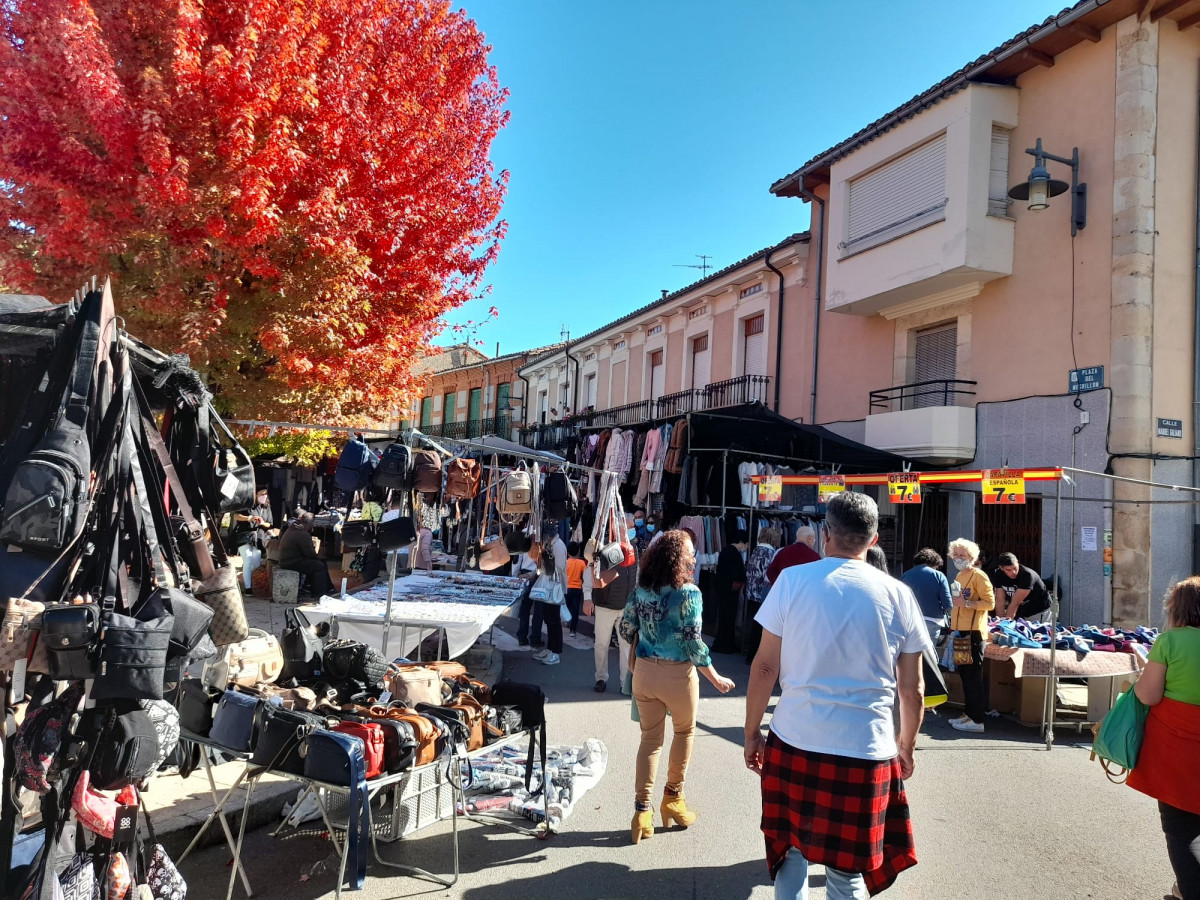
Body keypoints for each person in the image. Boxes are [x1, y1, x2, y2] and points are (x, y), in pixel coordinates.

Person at [744, 491, 929, 899]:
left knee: (790, 856)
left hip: (794, 741)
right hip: (867, 750)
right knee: (846, 876)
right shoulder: (899, 595)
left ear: (826, 533)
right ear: (874, 538)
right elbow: (912, 690)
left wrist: (752, 733)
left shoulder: (793, 581)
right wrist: (906, 746)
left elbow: (763, 668)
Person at [620, 530, 735, 843]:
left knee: (650, 740)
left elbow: (625, 627)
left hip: (643, 673)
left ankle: (642, 812)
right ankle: (673, 799)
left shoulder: (642, 588)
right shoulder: (690, 594)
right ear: (677, 559)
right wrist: (716, 678)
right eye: (690, 555)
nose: (694, 559)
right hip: (677, 676)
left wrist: (646, 640)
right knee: (683, 732)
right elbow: (694, 644)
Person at [1128, 577, 1200, 900]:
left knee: (1180, 829)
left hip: (1177, 752)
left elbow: (1147, 695)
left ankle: (1189, 889)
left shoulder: (1169, 643)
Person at [946, 538, 995, 734]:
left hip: (974, 632)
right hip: (962, 631)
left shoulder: (979, 576)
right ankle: (969, 714)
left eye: (962, 555)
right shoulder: (960, 575)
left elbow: (989, 603)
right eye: (956, 555)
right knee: (966, 675)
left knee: (973, 676)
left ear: (972, 557)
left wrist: (966, 604)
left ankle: (977, 719)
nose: (958, 558)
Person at [585, 512, 638, 693]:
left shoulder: (634, 550)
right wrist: (586, 598)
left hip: (626, 606)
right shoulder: (606, 548)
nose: (633, 530)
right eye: (630, 527)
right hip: (605, 604)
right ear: (620, 529)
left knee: (626, 646)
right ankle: (600, 677)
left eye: (632, 527)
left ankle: (625, 682)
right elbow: (589, 572)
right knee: (601, 644)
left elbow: (636, 576)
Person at [743, 528, 780, 663]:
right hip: (762, 593)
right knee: (760, 627)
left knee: (752, 622)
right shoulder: (770, 553)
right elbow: (767, 575)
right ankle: (754, 655)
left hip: (751, 591)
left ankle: (749, 653)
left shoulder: (755, 550)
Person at [533, 520, 567, 666]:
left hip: (555, 588)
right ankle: (549, 648)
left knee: (554, 621)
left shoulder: (558, 546)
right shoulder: (551, 545)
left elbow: (558, 568)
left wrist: (546, 564)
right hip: (549, 587)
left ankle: (555, 652)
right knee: (548, 619)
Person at [279, 511, 334, 598]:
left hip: (288, 559)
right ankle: (319, 594)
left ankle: (328, 588)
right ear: (310, 523)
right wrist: (317, 558)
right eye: (313, 523)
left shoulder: (295, 527)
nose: (313, 526)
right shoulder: (302, 533)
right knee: (319, 566)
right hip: (290, 562)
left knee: (320, 563)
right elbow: (310, 553)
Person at [711, 531, 748, 654]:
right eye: (746, 544)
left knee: (724, 616)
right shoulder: (734, 553)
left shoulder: (726, 551)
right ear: (742, 542)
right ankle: (726, 643)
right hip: (730, 589)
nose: (746, 547)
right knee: (729, 617)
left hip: (723, 588)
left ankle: (723, 642)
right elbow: (739, 573)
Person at [989, 552, 1050, 619]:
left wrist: (1004, 624)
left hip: (1039, 610)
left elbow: (1015, 602)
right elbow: (1000, 600)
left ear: (1017, 562)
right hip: (1022, 610)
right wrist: (999, 621)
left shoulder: (1027, 575)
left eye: (1015, 568)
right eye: (1008, 570)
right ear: (1001, 568)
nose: (1013, 572)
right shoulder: (999, 575)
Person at [901, 548, 954, 624]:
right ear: (934, 563)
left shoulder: (905, 575)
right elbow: (947, 603)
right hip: (933, 620)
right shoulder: (938, 575)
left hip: (910, 619)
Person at [514, 547, 540, 649]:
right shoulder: (546, 535)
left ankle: (522, 637)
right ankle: (535, 638)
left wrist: (516, 574)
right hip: (539, 574)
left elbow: (518, 556)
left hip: (526, 573)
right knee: (538, 609)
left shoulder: (525, 532)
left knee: (525, 608)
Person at [232, 486, 273, 551]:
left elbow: (269, 524)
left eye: (266, 494)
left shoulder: (266, 507)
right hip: (246, 536)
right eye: (262, 494)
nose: (264, 496)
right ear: (256, 494)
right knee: (249, 560)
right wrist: (249, 518)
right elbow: (236, 516)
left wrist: (262, 523)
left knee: (257, 560)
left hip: (260, 539)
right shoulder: (247, 504)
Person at [564, 541, 592, 636]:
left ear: (567, 552)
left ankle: (565, 620)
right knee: (575, 610)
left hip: (567, 588)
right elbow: (585, 576)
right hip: (577, 589)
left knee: (565, 607)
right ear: (579, 552)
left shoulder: (566, 562)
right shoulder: (581, 563)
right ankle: (573, 630)